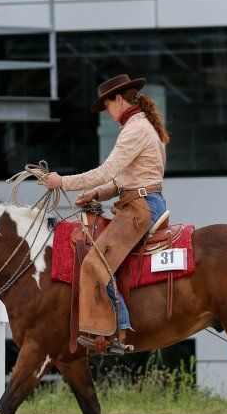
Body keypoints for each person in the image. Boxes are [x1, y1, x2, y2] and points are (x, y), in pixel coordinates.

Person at [44, 74, 169, 353]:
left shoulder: (134, 129)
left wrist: (62, 182)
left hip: (140, 208)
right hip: (143, 200)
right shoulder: (142, 126)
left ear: (118, 100)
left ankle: (118, 330)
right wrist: (97, 194)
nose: (108, 113)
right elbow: (124, 180)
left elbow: (107, 172)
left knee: (94, 262)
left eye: (108, 106)